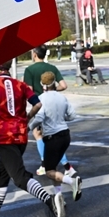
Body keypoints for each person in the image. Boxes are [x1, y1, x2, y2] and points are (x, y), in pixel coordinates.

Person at [0, 60, 66, 217]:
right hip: (21, 134)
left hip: (4, 137)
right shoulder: (21, 85)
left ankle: (50, 201)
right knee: (2, 173)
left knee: (19, 177)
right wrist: (27, 118)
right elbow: (37, 104)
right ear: (9, 67)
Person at [31, 71, 82, 203]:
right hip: (65, 135)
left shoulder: (42, 98)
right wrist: (60, 118)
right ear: (55, 82)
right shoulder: (62, 97)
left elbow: (40, 117)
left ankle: (72, 181)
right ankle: (59, 196)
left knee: (48, 172)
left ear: (43, 84)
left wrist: (28, 127)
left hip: (53, 138)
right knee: (53, 168)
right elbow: (72, 115)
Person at [23, 45, 74, 176]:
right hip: (54, 105)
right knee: (52, 137)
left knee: (39, 135)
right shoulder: (52, 68)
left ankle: (51, 164)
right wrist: (53, 91)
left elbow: (27, 91)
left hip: (39, 105)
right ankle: (58, 165)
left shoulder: (29, 70)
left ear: (34, 54)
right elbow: (64, 85)